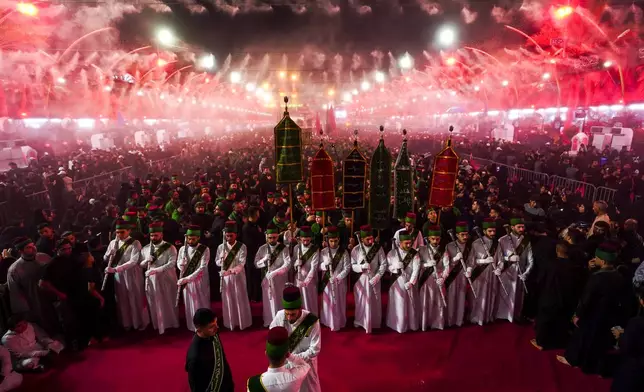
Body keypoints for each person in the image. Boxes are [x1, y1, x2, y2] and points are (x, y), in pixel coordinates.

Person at [557, 243, 632, 375]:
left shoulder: (597, 278)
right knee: (598, 342)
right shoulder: (619, 276)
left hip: (591, 315)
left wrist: (577, 315)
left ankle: (573, 360)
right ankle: (592, 366)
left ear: (602, 261)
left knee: (582, 338)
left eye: (597, 257)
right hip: (609, 315)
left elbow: (586, 299)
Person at [532, 242, 585, 350]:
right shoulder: (575, 266)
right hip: (568, 299)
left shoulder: (549, 264)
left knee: (545, 320)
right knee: (561, 321)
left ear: (557, 251)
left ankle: (541, 342)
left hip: (549, 298)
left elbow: (540, 280)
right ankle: (559, 340)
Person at [270, 287, 321, 392]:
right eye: (287, 314)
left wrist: (294, 359)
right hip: (284, 364)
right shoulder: (280, 316)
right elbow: (272, 334)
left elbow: (315, 349)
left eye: (293, 314)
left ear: (300, 309)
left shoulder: (311, 321)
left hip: (305, 365)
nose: (289, 318)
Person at [103, 219, 149, 331]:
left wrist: (116, 269)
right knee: (122, 299)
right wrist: (109, 253)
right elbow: (105, 258)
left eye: (122, 232)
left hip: (132, 274)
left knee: (135, 298)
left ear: (129, 231)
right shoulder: (113, 243)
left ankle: (140, 322)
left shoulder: (135, 243)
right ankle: (126, 323)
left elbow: (133, 261)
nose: (119, 235)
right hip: (119, 275)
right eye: (117, 232)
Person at [140, 221, 179, 335]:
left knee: (168, 300)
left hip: (167, 279)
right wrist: (146, 260)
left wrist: (156, 270)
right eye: (151, 235)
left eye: (156, 235)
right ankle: (158, 323)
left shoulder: (170, 247)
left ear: (161, 235)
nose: (153, 237)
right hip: (152, 281)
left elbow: (171, 263)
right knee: (155, 302)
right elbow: (141, 265)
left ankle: (171, 323)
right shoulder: (146, 249)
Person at [6, 237, 53, 333]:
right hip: (34, 303)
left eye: (33, 245)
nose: (34, 248)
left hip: (51, 297)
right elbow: (16, 294)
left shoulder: (44, 257)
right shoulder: (14, 269)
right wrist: (25, 313)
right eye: (28, 247)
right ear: (20, 251)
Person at [246, 326, 310, 392]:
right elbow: (305, 365)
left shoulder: (253, 383)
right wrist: (290, 356)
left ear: (266, 354)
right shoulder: (296, 377)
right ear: (286, 355)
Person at [215, 221, 252, 331]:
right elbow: (216, 262)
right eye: (227, 236)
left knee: (239, 297)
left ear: (236, 234)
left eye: (231, 235)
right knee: (228, 299)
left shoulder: (242, 246)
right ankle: (230, 323)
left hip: (238, 276)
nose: (229, 238)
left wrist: (230, 271)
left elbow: (241, 264)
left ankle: (242, 323)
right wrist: (221, 261)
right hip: (225, 278)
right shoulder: (221, 247)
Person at [495, 217, 534, 323]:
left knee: (517, 296)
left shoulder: (526, 241)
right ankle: (501, 315)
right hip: (506, 273)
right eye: (519, 227)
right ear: (512, 227)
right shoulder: (502, 240)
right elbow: (497, 258)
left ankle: (516, 315)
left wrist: (526, 273)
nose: (522, 229)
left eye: (523, 227)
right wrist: (508, 258)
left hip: (520, 274)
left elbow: (530, 260)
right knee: (504, 294)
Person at [185, 308, 234, 392]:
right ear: (199, 329)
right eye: (211, 326)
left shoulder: (212, 332)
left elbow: (221, 356)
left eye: (216, 323)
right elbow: (195, 386)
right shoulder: (194, 356)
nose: (217, 327)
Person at [350, 225, 387, 334]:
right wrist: (361, 267)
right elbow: (352, 265)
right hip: (360, 280)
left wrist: (377, 277)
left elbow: (383, 264)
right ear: (361, 239)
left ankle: (374, 322)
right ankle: (360, 321)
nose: (371, 240)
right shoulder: (356, 249)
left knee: (374, 302)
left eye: (371, 238)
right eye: (368, 239)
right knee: (361, 301)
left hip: (374, 279)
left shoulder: (378, 248)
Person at [255, 223, 292, 327]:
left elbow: (288, 264)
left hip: (280, 279)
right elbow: (256, 264)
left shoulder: (283, 248)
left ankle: (281, 321)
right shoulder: (262, 249)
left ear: (277, 236)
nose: (272, 240)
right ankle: (269, 321)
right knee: (269, 301)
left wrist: (276, 272)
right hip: (267, 279)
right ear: (267, 237)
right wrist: (264, 259)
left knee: (280, 299)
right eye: (270, 238)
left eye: (274, 237)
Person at [177, 225, 212, 332]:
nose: (190, 240)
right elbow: (178, 263)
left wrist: (187, 278)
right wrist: (180, 264)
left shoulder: (204, 249)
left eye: (193, 238)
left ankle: (204, 324)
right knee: (189, 302)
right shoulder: (183, 249)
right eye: (189, 238)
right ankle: (192, 325)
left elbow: (202, 267)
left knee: (201, 302)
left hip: (199, 280)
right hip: (187, 282)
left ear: (198, 238)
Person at [610, 286, 644, 392]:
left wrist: (620, 336)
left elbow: (626, 348)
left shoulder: (636, 322)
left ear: (641, 301)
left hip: (635, 372)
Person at [386, 230, 420, 333]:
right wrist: (395, 268)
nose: (409, 244)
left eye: (410, 242)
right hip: (396, 282)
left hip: (409, 283)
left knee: (411, 304)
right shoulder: (392, 253)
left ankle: (412, 325)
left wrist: (411, 282)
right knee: (398, 304)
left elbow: (416, 268)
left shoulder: (414, 253)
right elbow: (387, 267)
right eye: (406, 243)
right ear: (400, 243)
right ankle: (398, 325)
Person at [467, 218, 499, 326]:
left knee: (490, 295)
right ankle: (476, 317)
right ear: (484, 231)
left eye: (494, 231)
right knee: (478, 296)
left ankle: (488, 316)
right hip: (479, 275)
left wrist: (499, 268)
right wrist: (483, 261)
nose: (492, 233)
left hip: (492, 275)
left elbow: (501, 260)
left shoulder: (497, 244)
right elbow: (471, 261)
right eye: (490, 231)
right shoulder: (476, 243)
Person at [318, 226, 350, 331]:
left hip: (340, 282)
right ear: (328, 241)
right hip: (327, 281)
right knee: (327, 302)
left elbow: (347, 267)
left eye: (335, 241)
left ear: (339, 240)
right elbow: (318, 266)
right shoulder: (323, 252)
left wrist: (338, 277)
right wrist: (325, 265)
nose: (333, 243)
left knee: (339, 303)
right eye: (331, 241)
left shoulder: (344, 252)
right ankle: (327, 321)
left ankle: (339, 322)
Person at [442, 222, 471, 327]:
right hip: (452, 276)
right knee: (451, 298)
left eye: (466, 234)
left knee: (461, 298)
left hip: (463, 276)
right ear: (457, 235)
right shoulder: (449, 246)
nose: (465, 237)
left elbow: (471, 261)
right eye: (462, 234)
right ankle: (449, 321)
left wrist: (469, 269)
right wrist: (455, 259)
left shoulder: (469, 246)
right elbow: (445, 264)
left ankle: (459, 320)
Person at [418, 225, 447, 330]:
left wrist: (442, 277)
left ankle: (437, 323)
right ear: (428, 238)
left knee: (437, 302)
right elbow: (417, 264)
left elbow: (447, 266)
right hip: (426, 280)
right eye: (433, 239)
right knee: (425, 302)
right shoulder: (422, 249)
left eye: (437, 239)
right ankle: (424, 323)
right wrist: (426, 265)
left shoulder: (443, 250)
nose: (435, 241)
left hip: (438, 279)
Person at [292, 226, 320, 316]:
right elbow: (292, 263)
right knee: (299, 300)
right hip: (298, 278)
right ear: (300, 239)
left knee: (311, 300)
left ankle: (312, 318)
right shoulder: (296, 248)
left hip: (310, 280)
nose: (306, 242)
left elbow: (313, 268)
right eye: (304, 240)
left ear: (311, 238)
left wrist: (306, 282)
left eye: (308, 240)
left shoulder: (315, 249)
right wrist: (296, 264)